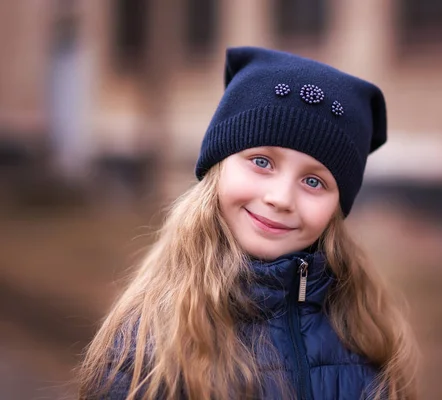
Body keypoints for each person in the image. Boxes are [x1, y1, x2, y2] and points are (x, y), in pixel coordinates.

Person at [78, 47, 418, 400]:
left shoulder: (367, 337)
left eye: (314, 182)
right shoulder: (150, 343)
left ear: (337, 206)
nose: (281, 198)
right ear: (218, 168)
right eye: (261, 161)